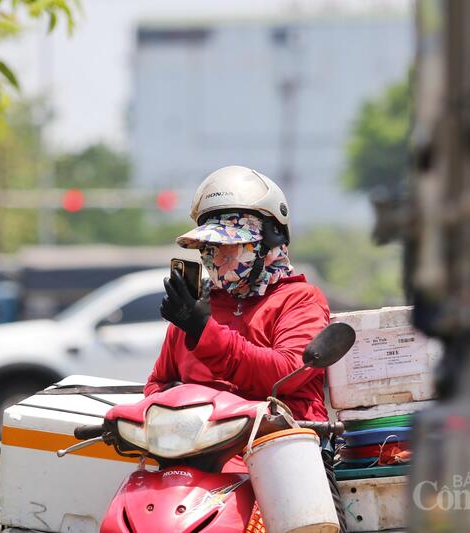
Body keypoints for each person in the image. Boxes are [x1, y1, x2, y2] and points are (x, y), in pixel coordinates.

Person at [145, 165, 347, 532]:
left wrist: (204, 331)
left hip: (279, 461)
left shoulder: (299, 300)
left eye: (231, 246)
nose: (217, 259)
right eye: (210, 248)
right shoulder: (199, 309)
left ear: (269, 240)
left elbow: (286, 371)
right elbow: (159, 383)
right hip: (194, 465)